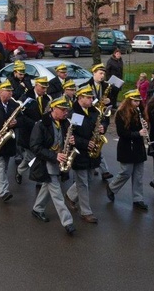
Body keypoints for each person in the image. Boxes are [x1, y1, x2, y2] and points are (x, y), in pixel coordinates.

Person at [29, 97, 76, 236]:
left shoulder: (64, 123)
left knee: (47, 187)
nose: (65, 112)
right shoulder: (41, 124)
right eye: (62, 109)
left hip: (57, 162)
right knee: (57, 194)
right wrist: (54, 155)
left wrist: (72, 142)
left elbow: (65, 141)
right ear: (53, 109)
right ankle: (67, 222)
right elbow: (35, 147)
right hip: (46, 163)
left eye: (66, 109)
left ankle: (37, 209)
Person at [105, 90, 149, 212]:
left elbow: (142, 128)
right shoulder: (121, 113)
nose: (137, 103)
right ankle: (112, 188)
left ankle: (138, 199)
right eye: (135, 101)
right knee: (126, 172)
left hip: (138, 147)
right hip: (127, 147)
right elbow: (122, 133)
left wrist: (145, 126)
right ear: (129, 101)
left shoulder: (139, 112)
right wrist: (138, 133)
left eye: (139, 101)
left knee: (138, 175)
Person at [65, 85, 103, 224]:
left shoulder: (94, 111)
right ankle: (86, 212)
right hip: (80, 152)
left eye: (91, 97)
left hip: (92, 153)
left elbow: (101, 122)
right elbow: (71, 134)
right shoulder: (74, 114)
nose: (91, 99)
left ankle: (70, 195)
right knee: (82, 183)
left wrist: (101, 128)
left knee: (89, 180)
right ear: (80, 98)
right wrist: (85, 143)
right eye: (88, 97)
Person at [16, 77, 51, 185]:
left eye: (46, 88)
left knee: (30, 157)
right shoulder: (26, 97)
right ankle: (39, 180)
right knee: (34, 157)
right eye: (42, 87)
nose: (44, 90)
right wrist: (34, 124)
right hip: (28, 133)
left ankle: (20, 171)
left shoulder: (47, 98)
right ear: (36, 85)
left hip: (42, 133)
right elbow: (20, 116)